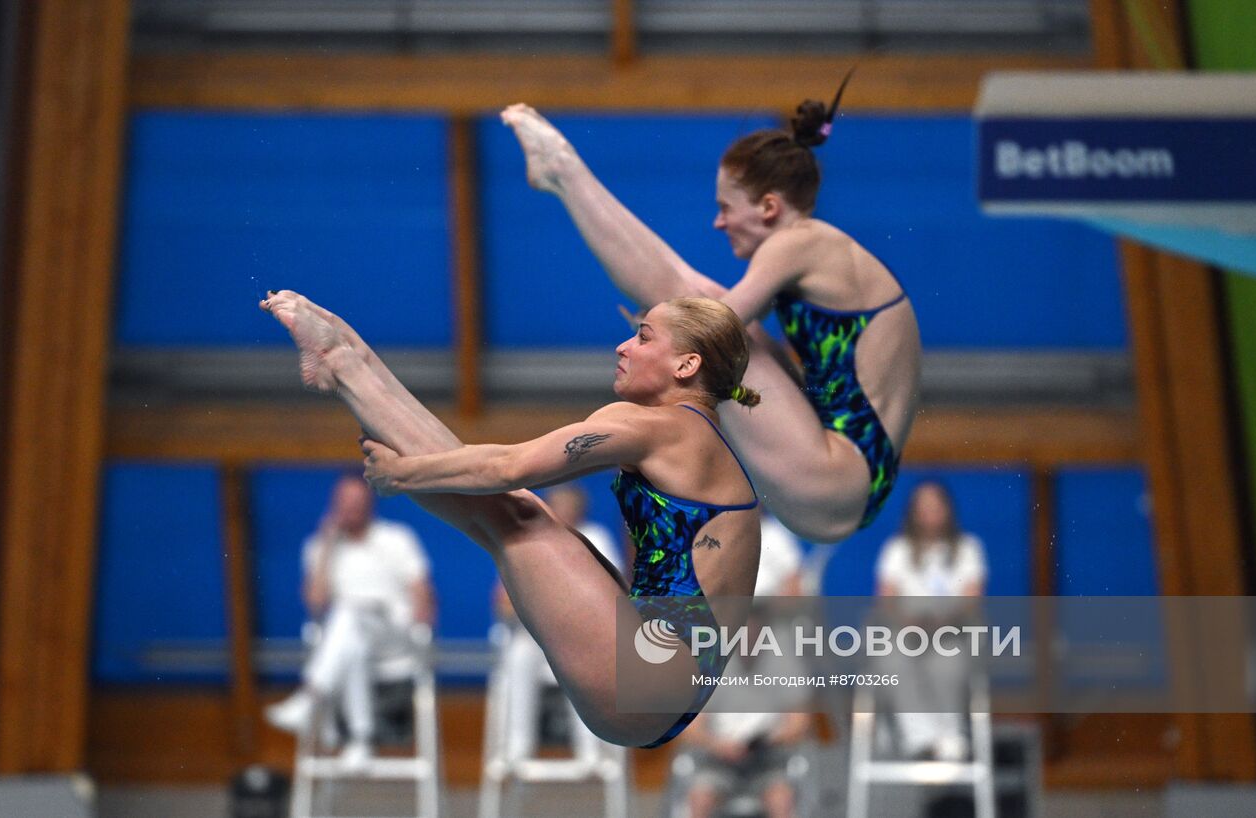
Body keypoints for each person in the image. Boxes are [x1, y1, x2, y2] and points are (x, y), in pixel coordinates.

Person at [260, 289, 761, 748]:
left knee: (516, 516)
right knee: (506, 519)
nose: (623, 347)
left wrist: (403, 475)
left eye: (643, 337)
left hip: (648, 679)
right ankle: (350, 362)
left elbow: (506, 467)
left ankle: (347, 363)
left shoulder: (666, 428)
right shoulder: (698, 438)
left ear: (686, 364)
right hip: (665, 689)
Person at [501, 76, 922, 543]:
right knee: (697, 304)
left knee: (691, 302)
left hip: (834, 476)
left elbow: (714, 323)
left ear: (768, 206)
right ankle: (563, 174)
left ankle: (563, 170)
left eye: (726, 207)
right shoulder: (825, 250)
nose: (718, 222)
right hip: (846, 479)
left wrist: (658, 335)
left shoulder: (799, 242)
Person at [265, 474, 435, 766]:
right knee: (350, 631)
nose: (351, 509)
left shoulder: (396, 538)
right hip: (350, 641)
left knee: (349, 616)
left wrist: (420, 620)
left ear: (370, 503)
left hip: (394, 636)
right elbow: (316, 604)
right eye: (344, 503)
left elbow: (424, 596)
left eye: (357, 502)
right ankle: (360, 739)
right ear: (333, 505)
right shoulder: (318, 547)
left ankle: (311, 696)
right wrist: (328, 545)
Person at [679, 513, 811, 818]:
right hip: (717, 759)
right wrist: (719, 745)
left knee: (781, 800)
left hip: (768, 761)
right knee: (699, 798)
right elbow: (690, 729)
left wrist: (765, 742)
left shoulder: (785, 661)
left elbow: (799, 722)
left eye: (756, 618)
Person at [494, 484, 625, 763]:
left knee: (587, 658)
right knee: (518, 656)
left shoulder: (597, 539)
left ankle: (591, 750)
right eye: (557, 505)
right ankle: (518, 748)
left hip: (586, 640)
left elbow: (615, 598)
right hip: (537, 641)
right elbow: (504, 605)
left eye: (569, 506)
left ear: (580, 510)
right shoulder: (523, 540)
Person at [874, 480, 986, 761]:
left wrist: (942, 622)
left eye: (935, 507)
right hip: (905, 634)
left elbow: (972, 598)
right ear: (912, 512)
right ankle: (920, 739)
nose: (930, 514)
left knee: (947, 663)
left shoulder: (968, 549)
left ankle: (950, 735)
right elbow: (886, 600)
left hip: (952, 632)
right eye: (923, 508)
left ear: (948, 510)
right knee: (892, 660)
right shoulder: (896, 550)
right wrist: (909, 623)